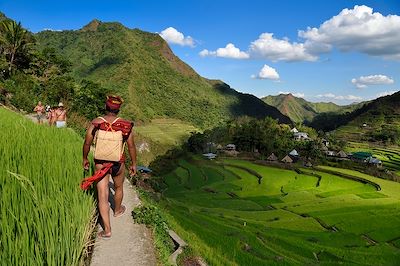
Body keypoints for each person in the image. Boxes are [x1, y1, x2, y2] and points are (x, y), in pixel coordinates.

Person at [82, 95, 137, 239]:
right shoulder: (125, 125)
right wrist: (134, 164)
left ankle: (107, 230)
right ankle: (118, 210)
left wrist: (85, 158)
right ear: (118, 110)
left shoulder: (97, 122)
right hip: (118, 163)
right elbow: (131, 146)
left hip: (101, 163)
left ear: (106, 107)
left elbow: (87, 142)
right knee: (118, 187)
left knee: (102, 196)